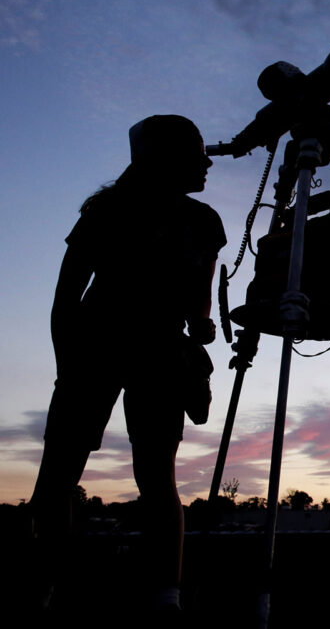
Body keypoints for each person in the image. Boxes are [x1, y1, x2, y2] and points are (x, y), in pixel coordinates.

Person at [30, 114, 226, 618]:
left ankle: (165, 598)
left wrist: (201, 326)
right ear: (161, 158)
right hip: (95, 349)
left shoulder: (204, 222)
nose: (207, 161)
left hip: (158, 353)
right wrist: (66, 369)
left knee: (156, 477)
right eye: (195, 151)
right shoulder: (107, 211)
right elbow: (65, 300)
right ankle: (47, 586)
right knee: (58, 478)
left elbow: (198, 302)